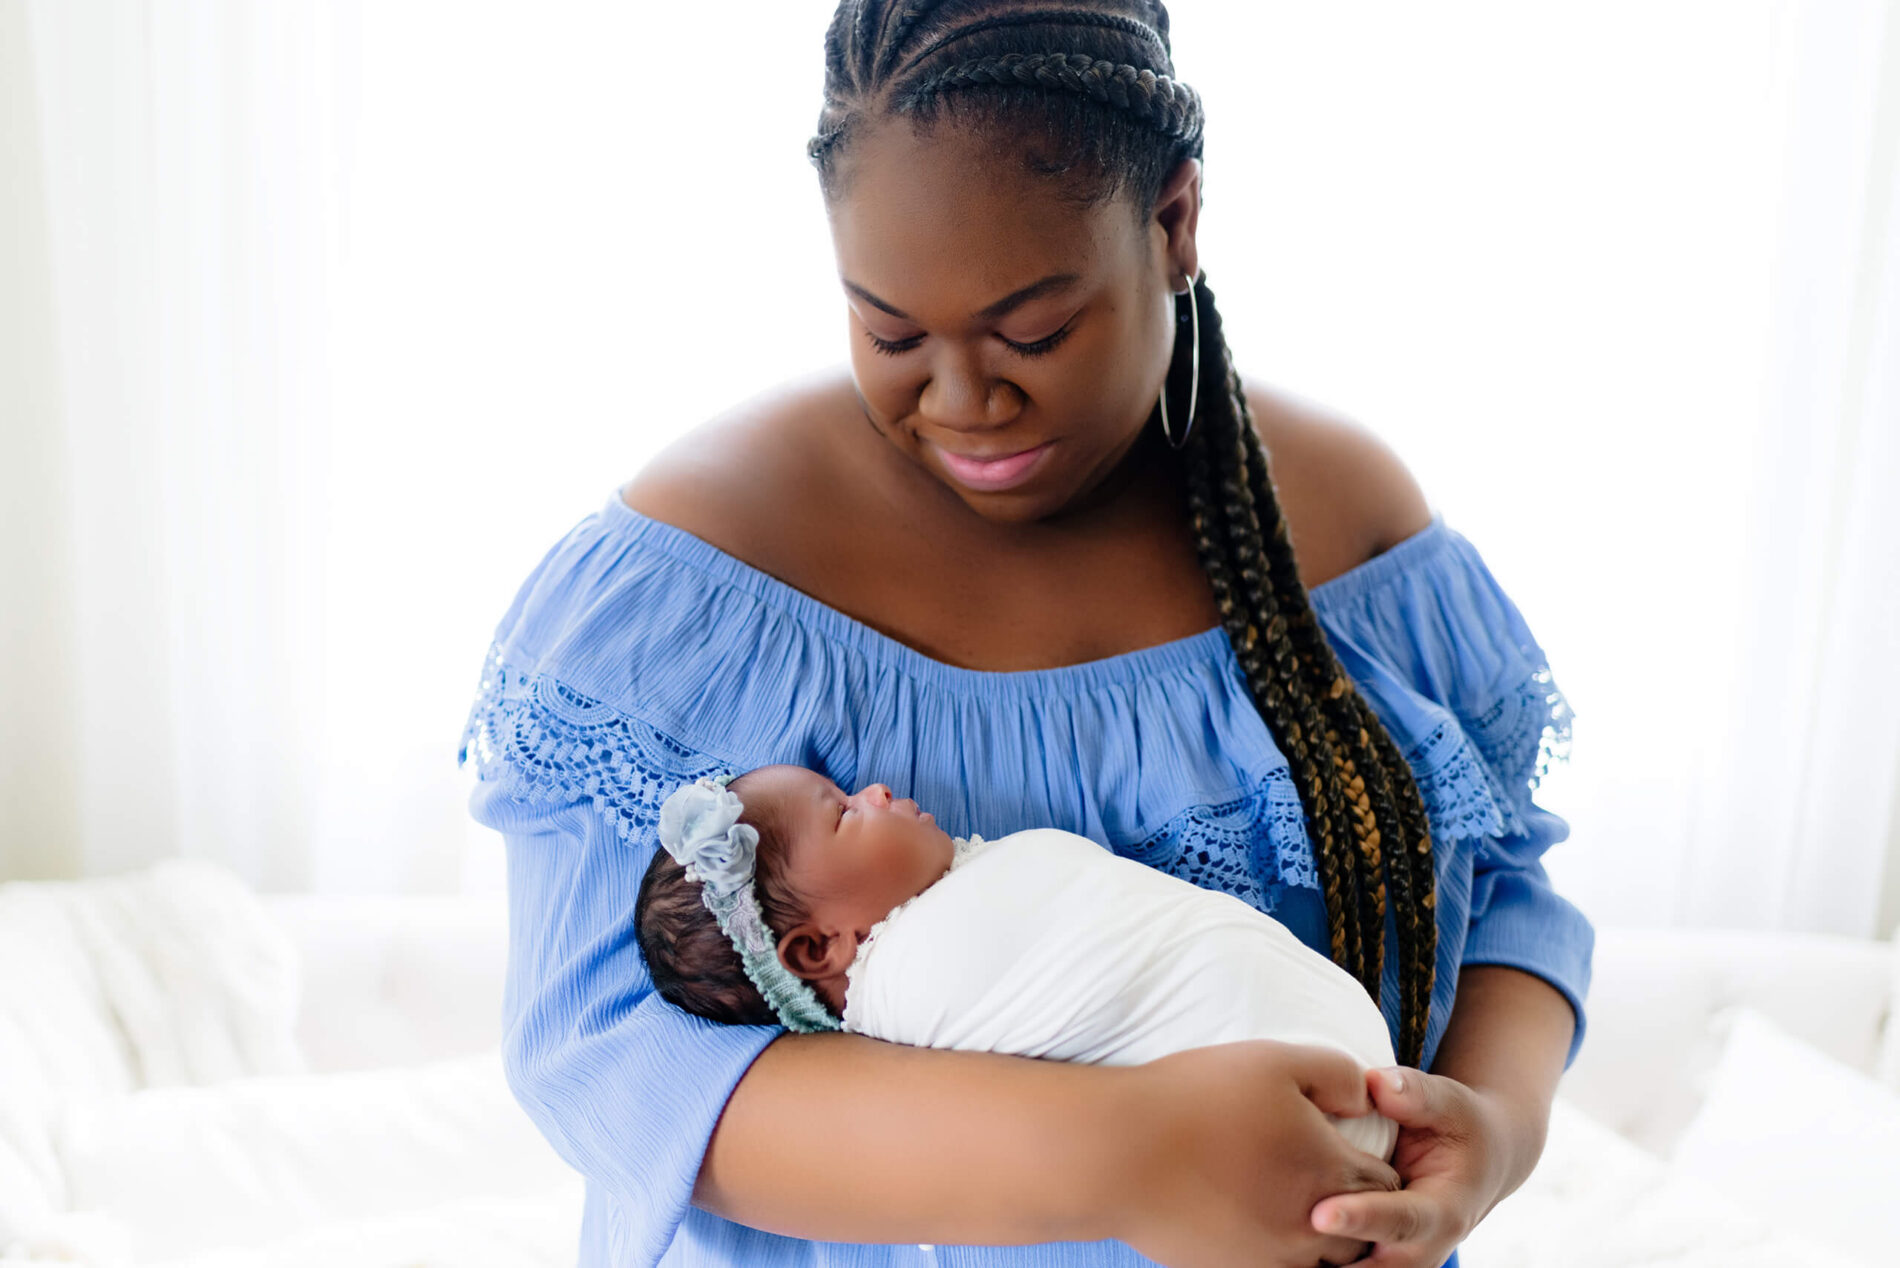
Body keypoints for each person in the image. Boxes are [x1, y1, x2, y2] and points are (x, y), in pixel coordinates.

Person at [457, 2, 1594, 1265]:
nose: (963, 400)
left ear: (1174, 220)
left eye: (1034, 332)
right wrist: (1125, 1151)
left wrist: (1489, 1132)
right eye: (890, 332)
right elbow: (611, 1058)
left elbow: (1504, 899)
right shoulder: (698, 574)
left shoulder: (1346, 522)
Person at [632, 768, 1402, 1160]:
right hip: (1306, 1114)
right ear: (817, 948)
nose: (876, 790)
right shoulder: (915, 985)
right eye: (843, 811)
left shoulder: (952, 901)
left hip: (1344, 1086)